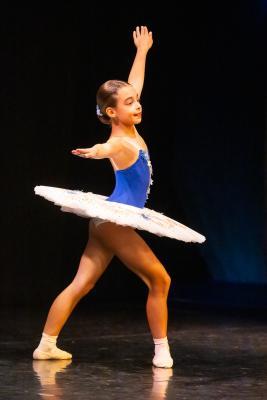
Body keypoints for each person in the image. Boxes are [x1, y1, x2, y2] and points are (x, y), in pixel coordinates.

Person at [33, 26, 205, 368]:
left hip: (105, 220)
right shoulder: (121, 141)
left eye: (137, 100)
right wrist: (94, 151)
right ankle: (161, 351)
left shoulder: (130, 126)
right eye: (129, 103)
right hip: (115, 221)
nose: (137, 104)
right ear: (111, 113)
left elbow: (133, 85)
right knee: (161, 279)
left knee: (82, 282)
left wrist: (142, 51)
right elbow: (106, 148)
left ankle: (46, 344)